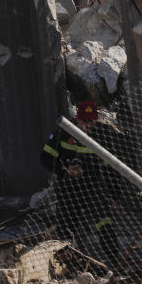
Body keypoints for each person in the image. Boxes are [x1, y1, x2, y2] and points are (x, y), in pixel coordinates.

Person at [40, 100, 121, 269]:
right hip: (69, 188)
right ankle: (68, 267)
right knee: (67, 228)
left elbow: (112, 169)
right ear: (77, 119)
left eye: (91, 121)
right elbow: (45, 158)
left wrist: (115, 196)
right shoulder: (63, 133)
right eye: (85, 121)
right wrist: (64, 171)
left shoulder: (101, 136)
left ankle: (115, 263)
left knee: (105, 223)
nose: (88, 125)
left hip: (93, 186)